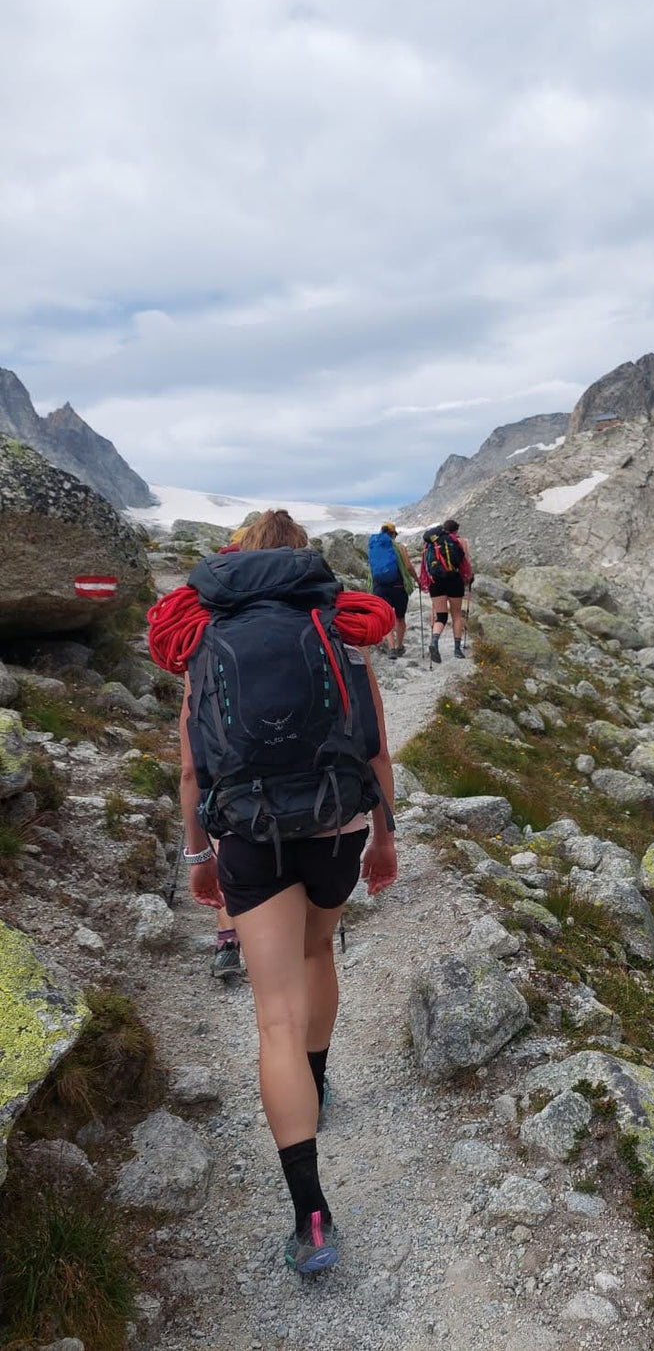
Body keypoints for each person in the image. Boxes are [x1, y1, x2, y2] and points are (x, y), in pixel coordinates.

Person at [149, 507, 398, 1276]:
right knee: (320, 948)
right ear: (302, 562)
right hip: (335, 828)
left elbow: (193, 768)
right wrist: (384, 837)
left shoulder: (206, 638)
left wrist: (198, 854)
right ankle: (318, 1087)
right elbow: (377, 748)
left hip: (251, 838)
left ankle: (311, 1217)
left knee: (274, 1018)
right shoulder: (338, 625)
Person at [419, 517, 473, 664]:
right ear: (455, 531)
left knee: (441, 616)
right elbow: (465, 562)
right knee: (456, 615)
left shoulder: (430, 543)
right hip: (454, 580)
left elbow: (425, 565)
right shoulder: (459, 542)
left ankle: (434, 641)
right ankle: (457, 650)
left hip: (436, 582)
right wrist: (469, 578)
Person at [366, 522, 416, 659]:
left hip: (379, 587)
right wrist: (417, 580)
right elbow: (408, 566)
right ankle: (400, 646)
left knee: (387, 618)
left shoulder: (373, 546)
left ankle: (391, 647)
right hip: (398, 587)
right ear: (393, 534)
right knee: (400, 618)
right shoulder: (399, 547)